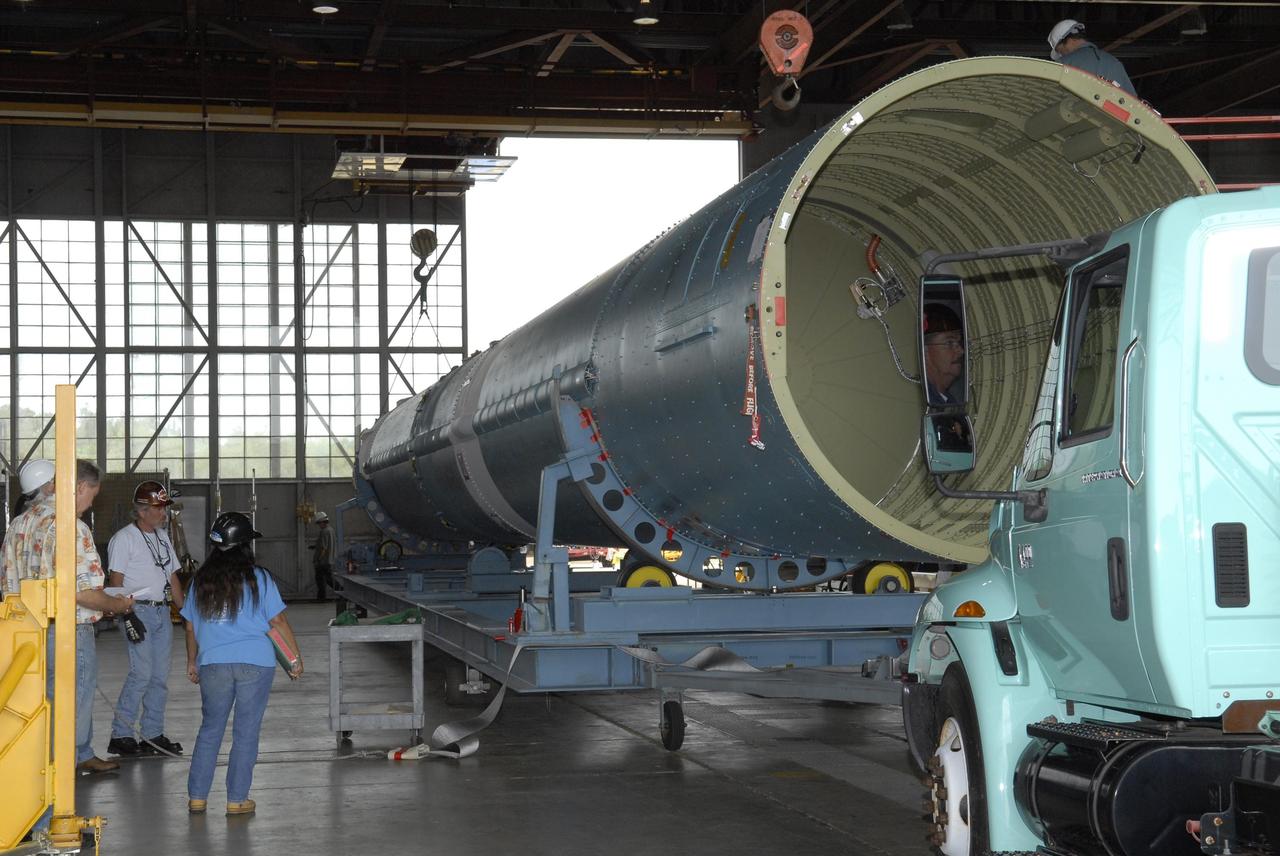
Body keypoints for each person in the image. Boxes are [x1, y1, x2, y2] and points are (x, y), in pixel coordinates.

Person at [0, 459, 135, 781]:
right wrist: (116, 604)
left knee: (39, 698)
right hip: (67, 630)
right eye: (92, 495)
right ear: (79, 487)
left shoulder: (19, 524)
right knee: (72, 697)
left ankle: (70, 755)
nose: (91, 503)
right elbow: (81, 592)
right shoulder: (69, 526)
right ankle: (62, 765)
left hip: (25, 630)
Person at [182, 511, 302, 816]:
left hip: (213, 665)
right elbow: (278, 620)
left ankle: (197, 797)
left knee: (210, 729)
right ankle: (236, 799)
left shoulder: (200, 581)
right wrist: (294, 658)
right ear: (245, 545)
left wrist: (192, 661)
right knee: (246, 732)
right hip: (255, 663)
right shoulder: (258, 577)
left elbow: (190, 626)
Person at [107, 480, 186, 757]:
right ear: (141, 510)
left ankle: (152, 733)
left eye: (164, 508)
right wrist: (125, 613)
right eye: (158, 508)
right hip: (136, 610)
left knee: (159, 676)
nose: (163, 513)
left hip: (162, 611)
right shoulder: (124, 539)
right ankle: (122, 734)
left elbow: (173, 577)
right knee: (141, 674)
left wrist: (186, 612)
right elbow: (115, 580)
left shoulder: (162, 537)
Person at [1048, 19, 1136, 97]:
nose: (1062, 55)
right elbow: (1135, 104)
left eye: (1060, 51)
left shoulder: (1062, 65)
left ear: (1070, 40)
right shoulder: (1114, 63)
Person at [922, 303, 966, 406]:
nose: (961, 351)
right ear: (924, 351)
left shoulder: (950, 403)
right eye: (949, 343)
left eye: (959, 342)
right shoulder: (920, 402)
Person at [312, 511, 336, 601]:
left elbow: (324, 548)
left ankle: (321, 598)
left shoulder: (324, 531)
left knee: (322, 581)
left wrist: (318, 559)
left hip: (323, 562)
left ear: (323, 522)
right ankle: (342, 593)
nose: (319, 525)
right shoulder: (331, 530)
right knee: (328, 580)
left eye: (319, 523)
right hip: (328, 560)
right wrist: (315, 547)